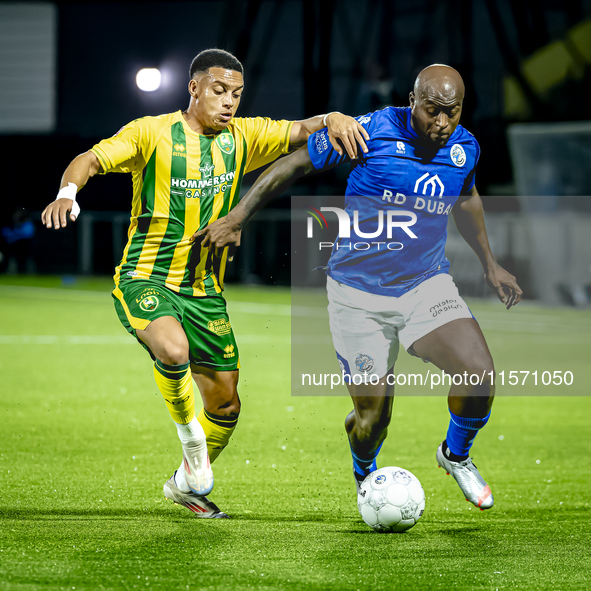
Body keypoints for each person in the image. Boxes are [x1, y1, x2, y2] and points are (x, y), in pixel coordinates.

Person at [41, 48, 369, 518]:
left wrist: (334, 116)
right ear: (194, 88)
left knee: (227, 406)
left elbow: (301, 128)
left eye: (236, 93)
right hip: (145, 277)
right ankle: (190, 440)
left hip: (205, 293)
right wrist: (67, 192)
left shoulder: (243, 136)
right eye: (219, 91)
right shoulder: (151, 132)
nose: (229, 101)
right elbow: (89, 159)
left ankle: (185, 483)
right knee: (172, 351)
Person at [197, 64, 523, 511]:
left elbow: (465, 196)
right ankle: (365, 473)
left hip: (426, 285)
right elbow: (293, 164)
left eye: (453, 112)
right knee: (374, 419)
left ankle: (455, 455)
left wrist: (490, 264)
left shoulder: (464, 147)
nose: (443, 123)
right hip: (357, 294)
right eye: (433, 111)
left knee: (479, 374)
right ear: (413, 101)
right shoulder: (369, 132)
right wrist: (237, 217)